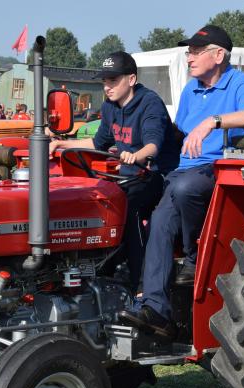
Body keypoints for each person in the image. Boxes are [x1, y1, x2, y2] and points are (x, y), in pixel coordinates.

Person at [118, 25, 244, 338]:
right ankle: (155, 308)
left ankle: (192, 258)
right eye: (188, 52)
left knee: (186, 189)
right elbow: (178, 133)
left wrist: (212, 122)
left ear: (218, 55)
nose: (189, 58)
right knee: (152, 217)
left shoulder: (237, 83)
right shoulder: (191, 90)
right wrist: (143, 149)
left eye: (196, 52)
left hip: (218, 169)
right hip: (183, 172)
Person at [50, 51, 179, 289]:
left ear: (131, 79)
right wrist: (62, 143)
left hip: (158, 175)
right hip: (128, 176)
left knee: (126, 206)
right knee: (95, 201)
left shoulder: (149, 103)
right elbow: (98, 143)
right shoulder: (110, 106)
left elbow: (153, 145)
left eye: (113, 81)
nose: (107, 87)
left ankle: (140, 282)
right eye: (104, 82)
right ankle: (98, 273)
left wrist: (135, 155)